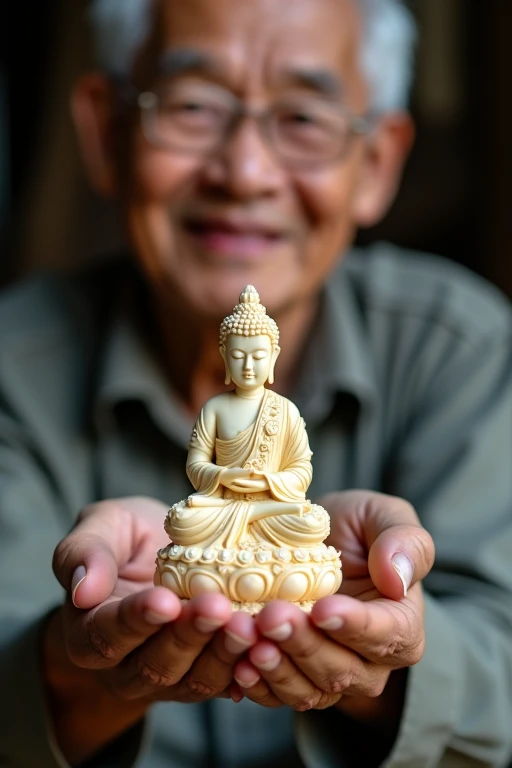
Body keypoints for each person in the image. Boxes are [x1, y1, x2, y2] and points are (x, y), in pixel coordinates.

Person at [0, 0, 510, 766]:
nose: (244, 172)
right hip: (219, 528)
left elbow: (296, 480)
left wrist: (377, 652)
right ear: (107, 133)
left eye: (304, 118)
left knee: (305, 537)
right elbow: (207, 477)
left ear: (376, 164)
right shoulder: (13, 362)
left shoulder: (460, 348)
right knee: (197, 531)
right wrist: (82, 670)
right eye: (195, 106)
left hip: (269, 528)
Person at [157, 284, 340, 609]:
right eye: (239, 356)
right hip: (222, 506)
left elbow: (301, 469)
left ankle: (255, 519)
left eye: (258, 357)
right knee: (183, 520)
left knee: (312, 520)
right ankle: (258, 535)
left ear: (273, 357)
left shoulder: (285, 410)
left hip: (274, 509)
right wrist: (225, 476)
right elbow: (195, 466)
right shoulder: (215, 409)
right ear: (225, 357)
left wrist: (268, 481)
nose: (248, 366)